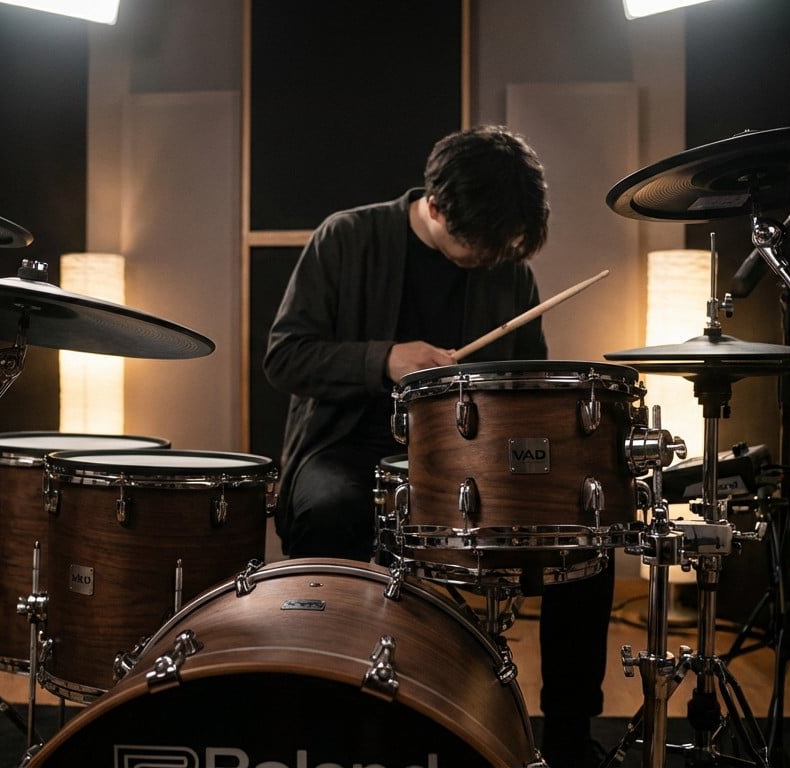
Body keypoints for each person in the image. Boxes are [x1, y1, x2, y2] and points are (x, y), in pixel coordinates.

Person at [263, 124, 614, 767]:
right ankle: (325, 711)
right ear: (438, 203)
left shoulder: (508, 269)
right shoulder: (347, 237)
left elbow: (526, 388)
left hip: (467, 464)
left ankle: (567, 737)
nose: (488, 256)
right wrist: (386, 359)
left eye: (500, 246)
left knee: (582, 535)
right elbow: (285, 358)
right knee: (330, 509)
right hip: (349, 448)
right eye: (477, 241)